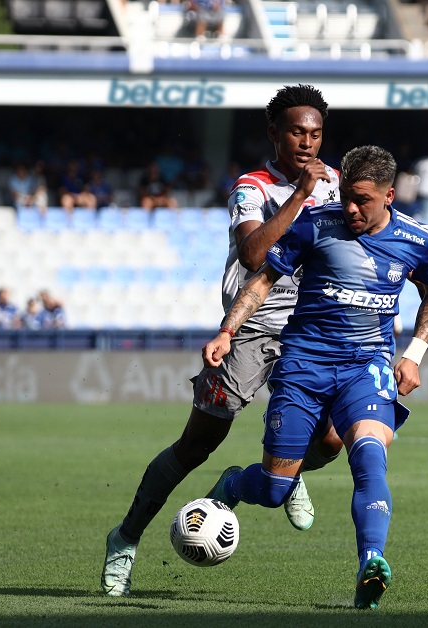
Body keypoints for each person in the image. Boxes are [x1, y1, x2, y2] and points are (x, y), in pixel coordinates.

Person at [102, 84, 342, 597]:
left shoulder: (337, 184)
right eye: (297, 131)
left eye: (316, 133)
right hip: (252, 325)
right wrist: (300, 194)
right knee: (196, 446)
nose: (307, 142)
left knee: (331, 439)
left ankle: (281, 471)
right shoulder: (251, 187)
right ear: (274, 133)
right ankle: (125, 537)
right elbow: (255, 256)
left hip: (311, 327)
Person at [202, 145, 428, 610]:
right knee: (274, 489)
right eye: (348, 198)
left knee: (369, 456)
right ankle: (234, 485)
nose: (351, 208)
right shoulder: (316, 224)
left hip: (368, 365)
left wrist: (414, 353)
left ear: (389, 196)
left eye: (363, 200)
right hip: (304, 365)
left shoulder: (418, 238)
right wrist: (227, 331)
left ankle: (370, 563)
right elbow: (261, 280)